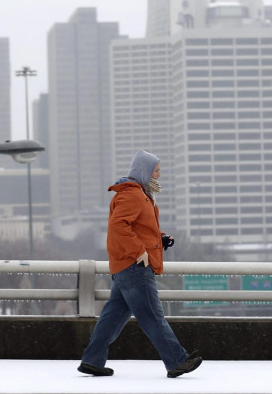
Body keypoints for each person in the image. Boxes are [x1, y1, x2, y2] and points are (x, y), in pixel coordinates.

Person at [78, 150, 202, 379]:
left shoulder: (141, 194)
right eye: (156, 171)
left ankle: (92, 361)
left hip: (125, 266)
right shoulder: (133, 194)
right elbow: (119, 226)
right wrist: (139, 251)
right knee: (152, 316)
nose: (159, 175)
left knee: (112, 318)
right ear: (145, 171)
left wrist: (160, 239)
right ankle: (177, 361)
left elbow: (139, 229)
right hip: (135, 266)